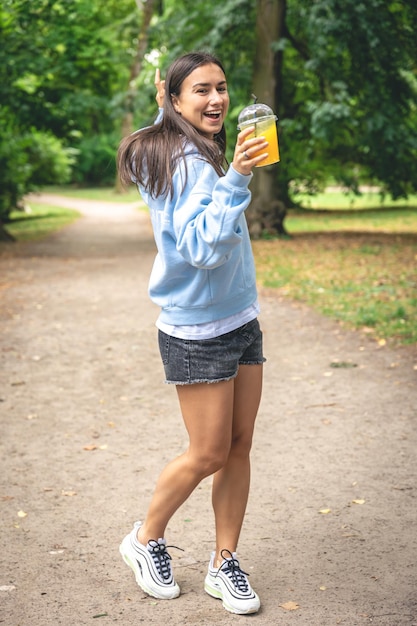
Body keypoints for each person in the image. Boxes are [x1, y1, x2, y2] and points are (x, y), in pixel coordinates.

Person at [117, 51, 268, 616]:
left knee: (238, 446)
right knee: (209, 451)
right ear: (177, 100)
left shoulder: (177, 144)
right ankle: (146, 538)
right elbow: (204, 249)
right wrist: (239, 176)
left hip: (238, 318)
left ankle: (223, 561)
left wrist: (164, 110)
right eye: (200, 90)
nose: (217, 99)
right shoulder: (188, 163)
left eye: (222, 87)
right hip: (198, 330)